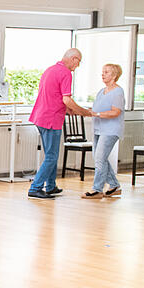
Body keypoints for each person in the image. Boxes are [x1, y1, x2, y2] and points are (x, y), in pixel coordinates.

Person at [27, 48, 92, 199]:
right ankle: (35, 188)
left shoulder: (50, 70)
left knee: (52, 155)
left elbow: (53, 95)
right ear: (74, 59)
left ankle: (50, 186)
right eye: (79, 62)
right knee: (51, 156)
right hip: (51, 119)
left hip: (40, 116)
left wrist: (69, 109)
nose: (78, 66)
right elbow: (66, 99)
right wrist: (83, 112)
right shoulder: (66, 73)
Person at [82, 63, 125, 199]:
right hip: (99, 129)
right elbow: (96, 110)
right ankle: (114, 185)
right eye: (102, 72)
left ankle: (97, 189)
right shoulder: (102, 91)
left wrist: (97, 114)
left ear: (114, 75)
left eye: (106, 72)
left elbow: (116, 112)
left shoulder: (118, 92)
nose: (102, 74)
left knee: (100, 158)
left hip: (111, 130)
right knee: (99, 158)